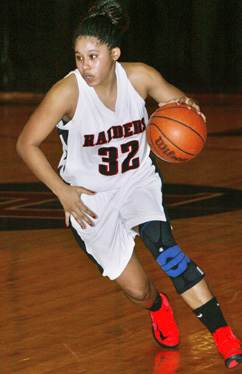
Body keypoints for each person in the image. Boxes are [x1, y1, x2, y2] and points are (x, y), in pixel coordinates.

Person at [16, 0, 242, 369]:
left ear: (114, 53)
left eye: (93, 56)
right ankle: (158, 307)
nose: (85, 66)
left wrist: (189, 110)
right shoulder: (66, 93)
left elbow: (180, 105)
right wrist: (63, 192)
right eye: (79, 57)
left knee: (167, 251)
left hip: (137, 180)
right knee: (138, 289)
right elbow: (25, 143)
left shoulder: (139, 77)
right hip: (89, 199)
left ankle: (223, 335)